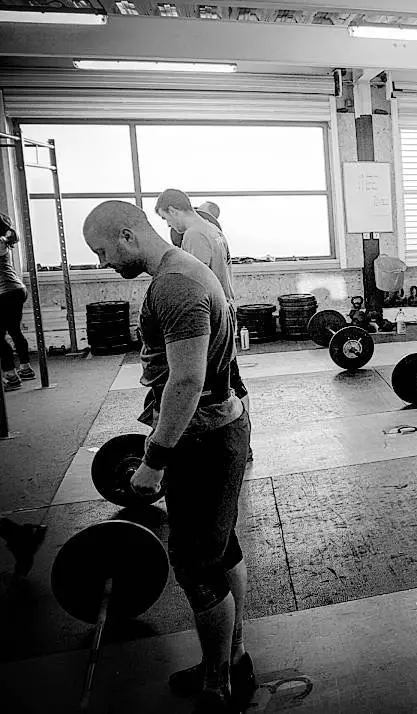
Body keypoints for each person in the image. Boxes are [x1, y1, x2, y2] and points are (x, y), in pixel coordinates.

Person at [83, 201, 255, 713]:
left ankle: (218, 685)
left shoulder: (175, 284)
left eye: (102, 250)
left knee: (196, 566)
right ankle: (232, 659)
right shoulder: (185, 269)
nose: (102, 262)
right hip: (220, 426)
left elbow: (186, 380)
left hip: (201, 438)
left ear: (128, 234)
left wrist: (154, 459)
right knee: (221, 550)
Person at [155, 190, 249, 419]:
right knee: (231, 378)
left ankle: (233, 431)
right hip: (225, 309)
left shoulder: (194, 235)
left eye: (166, 218)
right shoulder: (212, 229)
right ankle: (243, 428)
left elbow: (195, 285)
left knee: (214, 382)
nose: (169, 224)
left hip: (212, 316)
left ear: (173, 210)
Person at [0, 217, 34, 391]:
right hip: (14, 291)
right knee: (14, 331)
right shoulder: (4, 239)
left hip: (6, 293)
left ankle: (11, 376)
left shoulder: (0, 241)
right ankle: (25, 368)